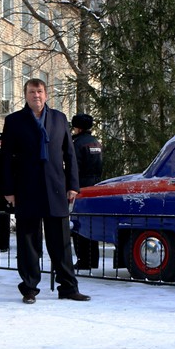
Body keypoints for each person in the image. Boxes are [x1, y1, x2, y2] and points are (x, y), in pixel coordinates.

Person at [0, 78, 91, 304]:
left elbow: (69, 154)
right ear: (26, 95)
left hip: (56, 188)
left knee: (61, 242)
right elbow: (5, 159)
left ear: (46, 94)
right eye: (31, 92)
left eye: (39, 91)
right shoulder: (14, 121)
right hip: (26, 188)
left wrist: (73, 185)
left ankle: (68, 287)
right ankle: (29, 288)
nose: (36, 96)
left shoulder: (59, 119)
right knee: (28, 242)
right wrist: (8, 189)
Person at [71, 113, 104, 270]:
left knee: (79, 225)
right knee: (92, 223)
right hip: (95, 185)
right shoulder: (96, 142)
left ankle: (83, 260)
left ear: (77, 128)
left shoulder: (76, 144)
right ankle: (93, 259)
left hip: (80, 187)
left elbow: (74, 167)